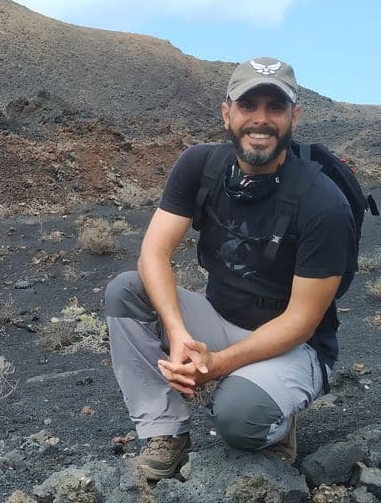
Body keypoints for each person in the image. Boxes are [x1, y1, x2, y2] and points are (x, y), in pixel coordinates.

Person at [105, 57, 357, 480]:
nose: (261, 120)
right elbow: (153, 253)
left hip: (296, 346)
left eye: (275, 108)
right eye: (248, 106)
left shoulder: (322, 202)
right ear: (227, 112)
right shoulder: (200, 165)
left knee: (239, 419)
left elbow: (300, 322)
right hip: (220, 320)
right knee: (126, 291)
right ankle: (165, 431)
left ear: (294, 116)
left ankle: (276, 424)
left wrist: (214, 366)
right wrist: (182, 335)